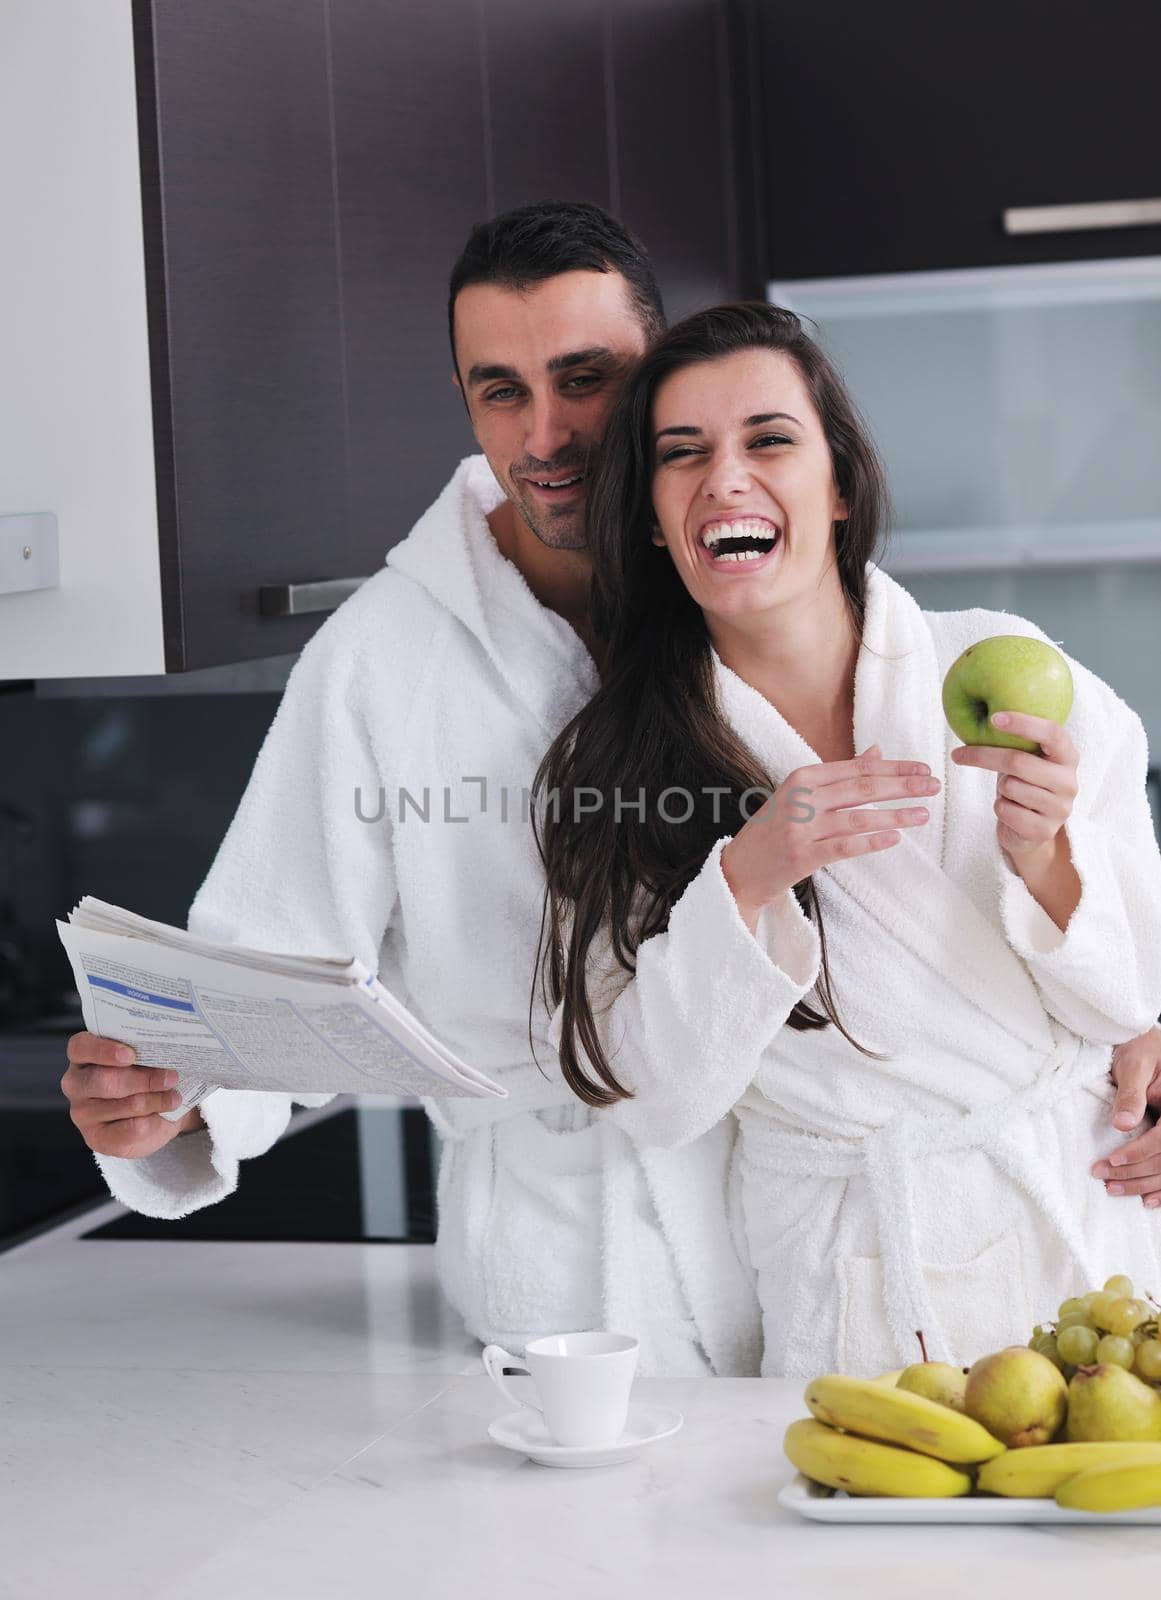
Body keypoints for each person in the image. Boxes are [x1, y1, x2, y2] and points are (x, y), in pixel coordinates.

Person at [57, 203, 762, 1378]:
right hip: (552, 1265)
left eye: (585, 378)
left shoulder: (753, 585)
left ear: (661, 369)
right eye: (501, 390)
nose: (545, 435)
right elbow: (268, 966)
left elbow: (922, 882)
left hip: (784, 1224)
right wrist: (168, 1101)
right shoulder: (382, 654)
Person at [534, 300, 1161, 1377]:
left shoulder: (1007, 671)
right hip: (852, 1279)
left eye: (768, 440)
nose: (725, 477)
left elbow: (1130, 1001)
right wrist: (749, 873)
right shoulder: (617, 767)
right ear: (649, 514)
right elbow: (646, 1093)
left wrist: (1047, 856)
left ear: (838, 488)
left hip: (1083, 1247)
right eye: (683, 455)